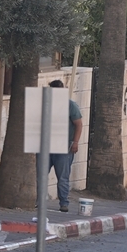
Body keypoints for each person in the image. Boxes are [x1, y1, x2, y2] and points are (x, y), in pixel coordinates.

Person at [44, 79, 83, 212]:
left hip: (64, 147)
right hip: (46, 147)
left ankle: (64, 203)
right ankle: (39, 201)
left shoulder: (70, 105)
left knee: (63, 177)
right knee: (41, 175)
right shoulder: (45, 104)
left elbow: (78, 124)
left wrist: (75, 142)